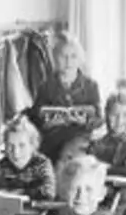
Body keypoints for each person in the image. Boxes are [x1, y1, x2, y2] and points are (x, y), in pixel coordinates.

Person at [28, 35, 102, 164]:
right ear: (56, 58)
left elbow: (99, 119)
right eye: (64, 56)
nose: (68, 61)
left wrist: (85, 121)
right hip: (51, 144)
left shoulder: (91, 86)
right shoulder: (45, 86)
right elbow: (35, 118)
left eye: (73, 56)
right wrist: (47, 123)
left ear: (80, 59)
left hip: (79, 145)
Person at [0, 115, 57, 201]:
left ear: (32, 145)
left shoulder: (41, 163)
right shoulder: (2, 166)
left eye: (22, 145)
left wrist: (17, 193)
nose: (16, 152)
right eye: (10, 146)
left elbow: (49, 192)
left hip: (35, 213)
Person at [90, 91, 126, 181]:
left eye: (125, 115)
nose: (120, 120)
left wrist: (104, 168)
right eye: (114, 115)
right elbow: (90, 170)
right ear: (107, 117)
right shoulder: (100, 143)